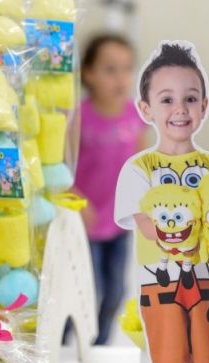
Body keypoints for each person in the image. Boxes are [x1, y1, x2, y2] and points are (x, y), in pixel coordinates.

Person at [114, 42, 209, 363]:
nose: (180, 109)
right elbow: (150, 228)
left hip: (207, 283)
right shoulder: (138, 169)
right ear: (146, 108)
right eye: (167, 99)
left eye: (191, 99)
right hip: (160, 285)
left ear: (204, 106)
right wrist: (202, 230)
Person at [75, 34, 147, 344]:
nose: (121, 78)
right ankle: (69, 339)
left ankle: (100, 344)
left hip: (119, 222)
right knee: (88, 288)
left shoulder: (135, 115)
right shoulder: (78, 117)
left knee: (117, 289)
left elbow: (142, 163)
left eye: (127, 69)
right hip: (86, 221)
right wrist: (77, 202)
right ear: (89, 73)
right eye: (110, 69)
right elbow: (62, 167)